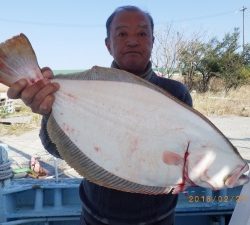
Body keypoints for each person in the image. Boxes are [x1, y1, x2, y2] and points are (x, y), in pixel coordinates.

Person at [7, 5, 192, 225]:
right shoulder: (83, 87)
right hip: (97, 216)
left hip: (159, 217)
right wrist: (48, 111)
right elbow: (55, 149)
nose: (132, 41)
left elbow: (185, 156)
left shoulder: (176, 93)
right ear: (108, 45)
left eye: (142, 33)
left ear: (153, 41)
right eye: (122, 33)